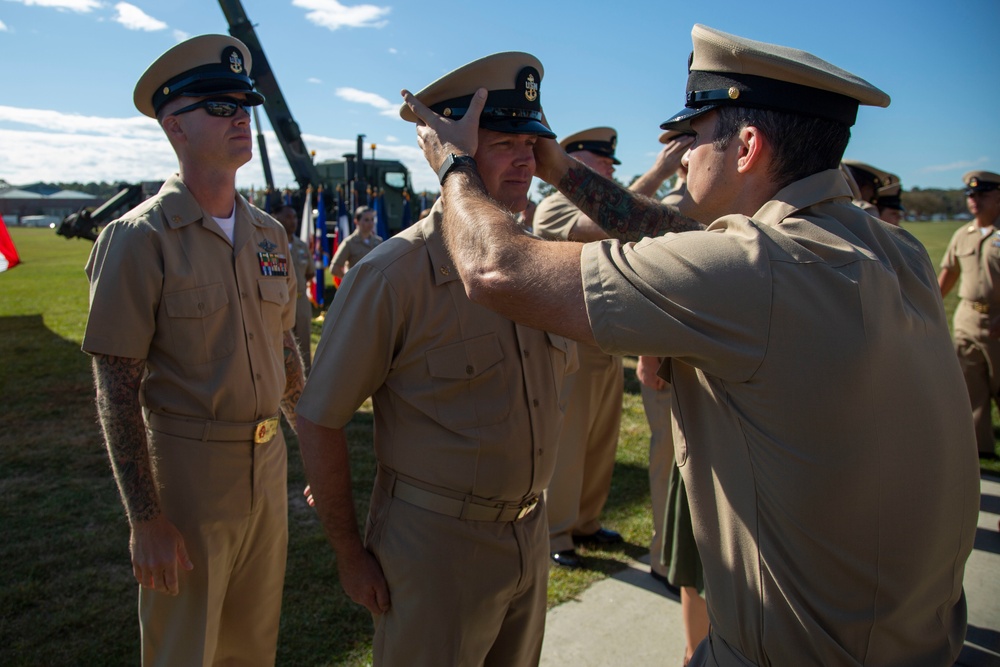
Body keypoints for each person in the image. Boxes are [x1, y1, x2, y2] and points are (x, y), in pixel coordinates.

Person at [403, 23, 979, 666]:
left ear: (748, 147)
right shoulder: (887, 248)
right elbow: (669, 230)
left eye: (694, 136)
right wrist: (561, 168)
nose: (683, 154)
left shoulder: (759, 270)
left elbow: (495, 270)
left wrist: (455, 164)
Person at [295, 52, 576, 667]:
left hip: (529, 533)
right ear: (450, 155)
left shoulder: (536, 263)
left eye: (532, 143)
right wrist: (349, 551)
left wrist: (560, 166)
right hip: (437, 547)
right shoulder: (395, 273)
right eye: (503, 143)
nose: (526, 161)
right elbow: (319, 415)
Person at [82, 35, 305, 666]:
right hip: (188, 475)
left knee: (251, 647)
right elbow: (116, 388)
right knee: (185, 648)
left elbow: (283, 350)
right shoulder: (138, 238)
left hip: (267, 468)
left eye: (244, 103)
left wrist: (315, 446)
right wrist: (145, 519)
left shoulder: (267, 233)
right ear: (174, 124)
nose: (241, 116)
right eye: (220, 104)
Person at [533, 127, 625, 568]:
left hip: (608, 338)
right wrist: (664, 168)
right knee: (569, 443)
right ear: (575, 160)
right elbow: (607, 223)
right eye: (603, 161)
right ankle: (557, 530)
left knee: (601, 441)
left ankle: (587, 520)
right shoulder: (555, 204)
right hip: (572, 341)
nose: (609, 168)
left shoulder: (608, 200)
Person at [939, 170, 1000, 459]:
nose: (973, 200)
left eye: (981, 194)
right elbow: (949, 273)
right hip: (966, 319)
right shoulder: (963, 234)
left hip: (998, 321)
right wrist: (932, 306)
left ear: (998, 197)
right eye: (970, 195)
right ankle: (981, 453)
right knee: (971, 388)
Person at [274, 203, 316, 372]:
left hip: (301, 301)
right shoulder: (271, 245)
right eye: (288, 217)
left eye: (295, 217)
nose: (293, 221)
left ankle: (306, 381)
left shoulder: (301, 246)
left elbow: (310, 272)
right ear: (277, 218)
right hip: (281, 302)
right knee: (281, 343)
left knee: (304, 342)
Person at [330, 205, 383, 278]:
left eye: (372, 219)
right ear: (356, 221)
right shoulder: (349, 242)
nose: (370, 223)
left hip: (375, 286)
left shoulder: (378, 242)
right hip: (357, 286)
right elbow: (334, 268)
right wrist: (349, 281)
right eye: (366, 220)